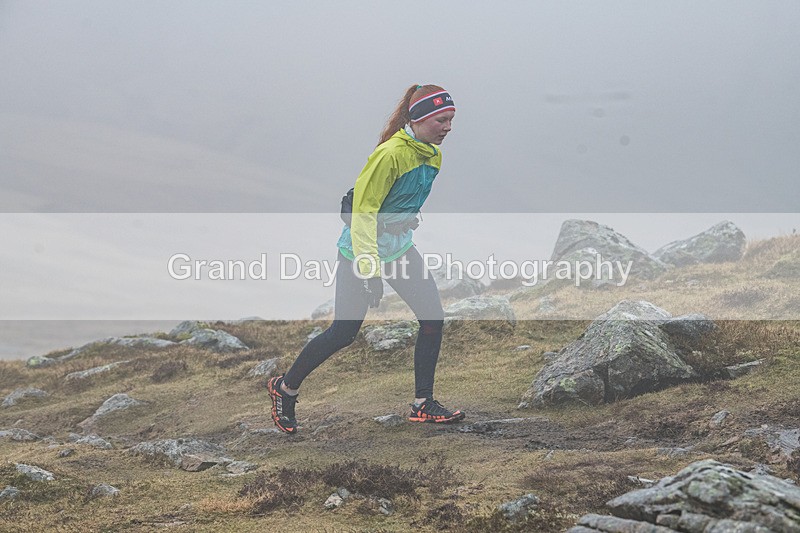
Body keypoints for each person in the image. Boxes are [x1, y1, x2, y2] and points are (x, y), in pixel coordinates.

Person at [267, 84, 463, 434]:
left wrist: (405, 221)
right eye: (442, 120)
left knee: (433, 319)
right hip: (359, 249)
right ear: (419, 119)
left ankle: (423, 404)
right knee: (344, 332)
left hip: (399, 248)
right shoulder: (389, 155)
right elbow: (363, 215)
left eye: (451, 120)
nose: (448, 127)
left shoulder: (433, 154)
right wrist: (368, 269)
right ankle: (285, 388)